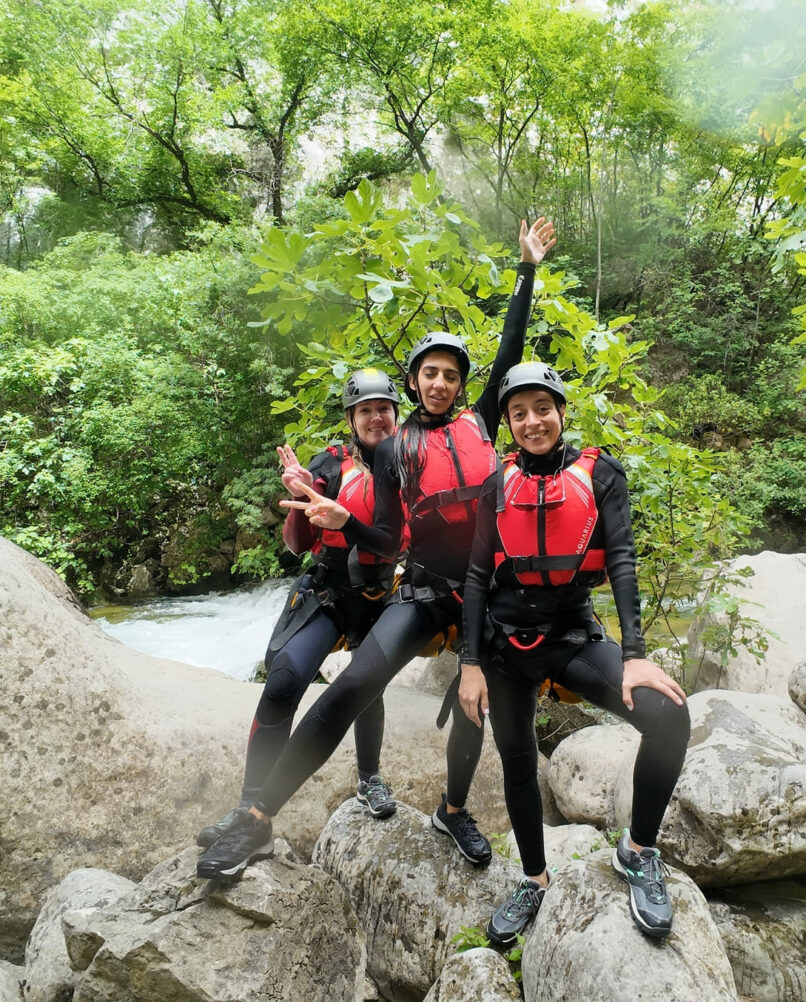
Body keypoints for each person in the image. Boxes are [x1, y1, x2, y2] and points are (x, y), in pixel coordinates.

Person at [196, 218, 559, 880]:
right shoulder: (393, 449)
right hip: (423, 591)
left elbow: (510, 346)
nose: (442, 383)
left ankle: (454, 809)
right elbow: (389, 540)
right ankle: (256, 817)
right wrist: (340, 521)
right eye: (430, 373)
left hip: (490, 594)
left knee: (485, 713)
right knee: (355, 684)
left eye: (451, 373)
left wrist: (527, 269)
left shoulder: (481, 420)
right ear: (414, 382)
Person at [456, 361, 690, 944]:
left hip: (572, 637)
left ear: (562, 412)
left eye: (543, 409)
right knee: (516, 761)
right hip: (505, 646)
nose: (532, 422)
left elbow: (623, 562)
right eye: (519, 413)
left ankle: (637, 851)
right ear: (508, 423)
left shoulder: (601, 474)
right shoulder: (495, 484)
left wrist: (635, 653)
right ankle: (534, 879)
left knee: (669, 718)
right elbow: (478, 577)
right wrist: (469, 662)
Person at [194, 369, 407, 862]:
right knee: (282, 684)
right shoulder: (330, 465)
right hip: (328, 591)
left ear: (395, 416)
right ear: (352, 420)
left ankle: (369, 778)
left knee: (364, 688)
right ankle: (250, 808)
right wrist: (303, 497)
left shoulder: (411, 467)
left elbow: (400, 541)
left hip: (377, 595)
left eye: (384, 409)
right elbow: (296, 546)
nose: (376, 417)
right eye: (365, 411)